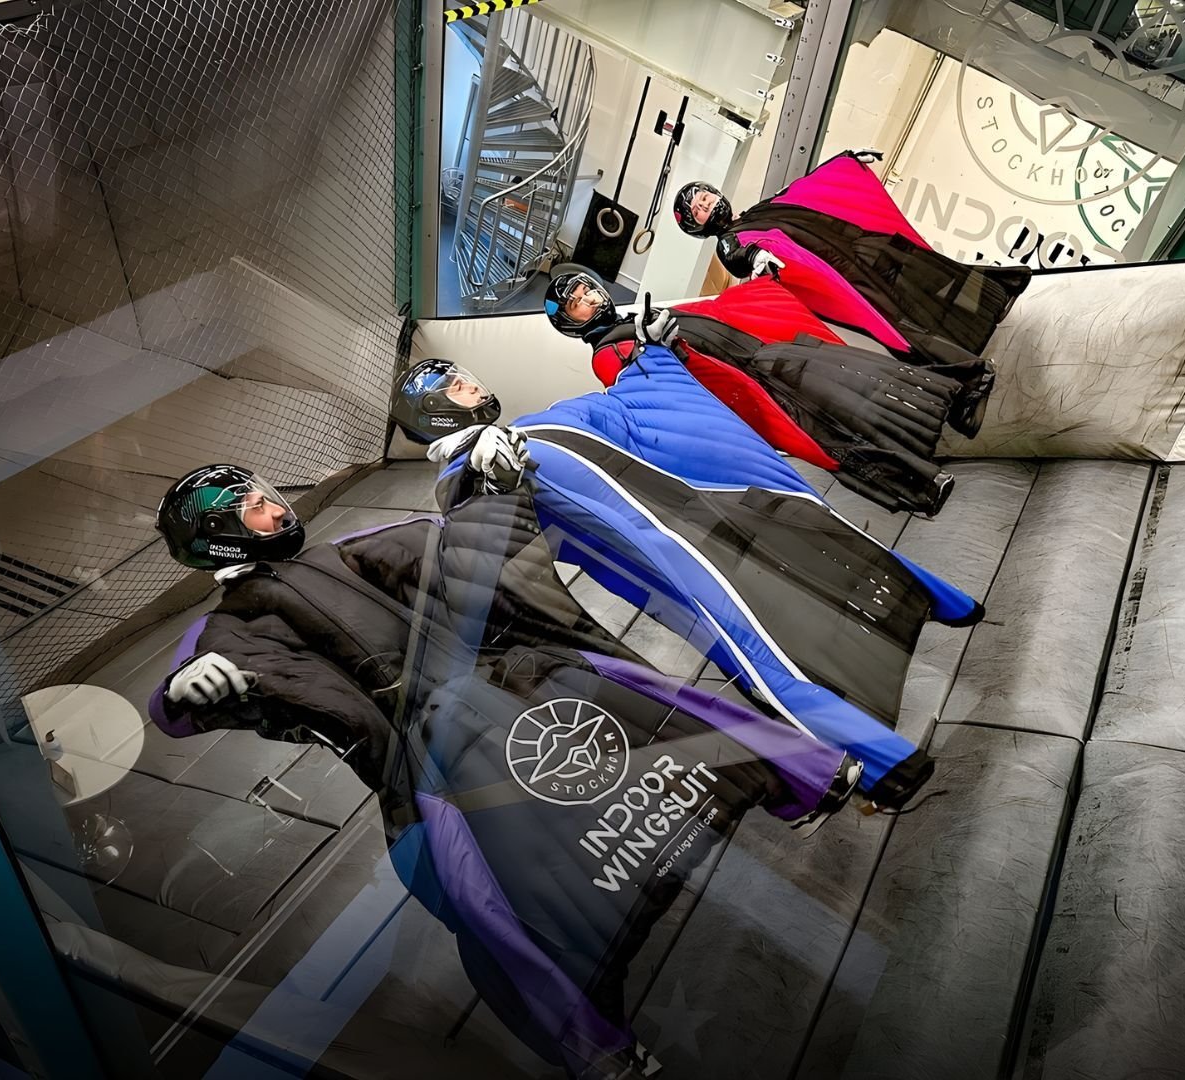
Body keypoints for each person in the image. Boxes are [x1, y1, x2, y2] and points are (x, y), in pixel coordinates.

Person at [150, 429, 860, 1078]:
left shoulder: (346, 552)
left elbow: (449, 543)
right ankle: (594, 1050)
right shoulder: (233, 628)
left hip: (504, 686)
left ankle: (809, 776)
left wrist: (490, 488)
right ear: (217, 539)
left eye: (264, 495)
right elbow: (177, 701)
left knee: (667, 705)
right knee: (487, 905)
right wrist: (189, 691)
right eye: (250, 507)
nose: (273, 507)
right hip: (431, 755)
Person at [430, 339, 981, 817]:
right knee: (763, 662)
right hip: (675, 572)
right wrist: (474, 470)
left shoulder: (536, 426)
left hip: (716, 522)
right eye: (454, 387)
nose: (470, 385)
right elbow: (469, 523)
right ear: (432, 411)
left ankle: (947, 607)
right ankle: (892, 768)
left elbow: (628, 404)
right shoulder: (471, 467)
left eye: (465, 377)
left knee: (829, 552)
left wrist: (647, 350)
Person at [543, 264, 996, 515]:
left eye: (586, 291)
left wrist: (760, 283)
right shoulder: (608, 350)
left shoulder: (635, 319)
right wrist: (663, 347)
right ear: (570, 321)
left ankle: (956, 403)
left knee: (866, 386)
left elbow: (713, 319)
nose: (588, 299)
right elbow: (655, 388)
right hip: (757, 388)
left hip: (769, 360)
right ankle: (920, 485)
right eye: (577, 304)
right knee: (835, 435)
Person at [673, 149, 1031, 356]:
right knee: (901, 315)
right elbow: (739, 255)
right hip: (845, 272)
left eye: (706, 197)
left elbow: (802, 189)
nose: (708, 204)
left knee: (927, 272)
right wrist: (755, 259)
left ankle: (986, 305)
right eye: (700, 209)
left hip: (861, 248)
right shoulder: (729, 241)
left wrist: (844, 163)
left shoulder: (757, 212)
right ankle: (961, 350)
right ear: (697, 225)